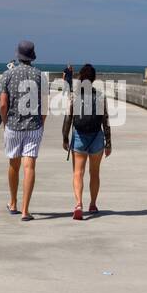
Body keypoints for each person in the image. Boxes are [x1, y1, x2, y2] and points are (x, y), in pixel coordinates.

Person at [0, 40, 45, 221]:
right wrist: (42, 122)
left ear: (18, 55)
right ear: (32, 56)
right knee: (30, 166)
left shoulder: (8, 74)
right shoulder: (40, 75)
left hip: (13, 126)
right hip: (34, 126)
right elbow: (45, 105)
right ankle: (25, 211)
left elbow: (3, 104)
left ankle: (13, 202)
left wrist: (5, 123)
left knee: (13, 165)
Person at [61, 63, 111, 220]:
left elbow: (68, 118)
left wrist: (65, 137)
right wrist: (108, 142)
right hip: (97, 137)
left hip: (80, 137)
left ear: (80, 77)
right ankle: (93, 204)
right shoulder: (100, 96)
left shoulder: (75, 95)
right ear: (94, 78)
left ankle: (78, 204)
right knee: (94, 173)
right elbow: (105, 120)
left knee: (78, 173)